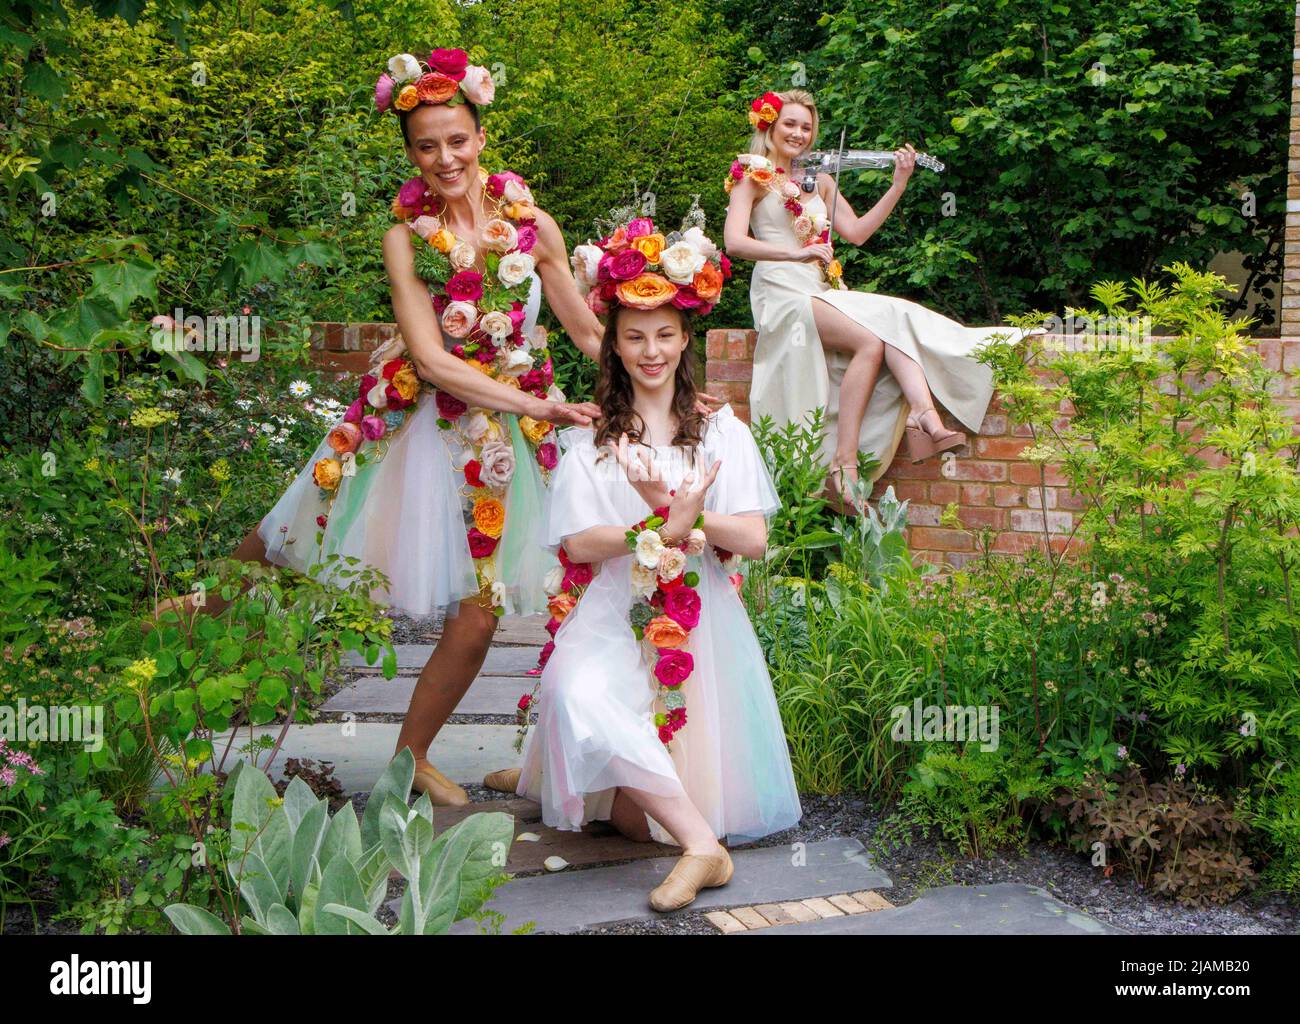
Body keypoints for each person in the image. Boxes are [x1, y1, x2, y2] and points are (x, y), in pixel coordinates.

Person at [153, 47, 611, 807]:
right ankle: (165, 632)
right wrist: (534, 405)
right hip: (411, 427)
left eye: (457, 139)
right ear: (409, 154)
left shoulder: (534, 226)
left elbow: (586, 330)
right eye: (426, 146)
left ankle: (413, 757)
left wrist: (657, 387)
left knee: (482, 606)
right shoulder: (405, 237)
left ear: (480, 138)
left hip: (509, 440)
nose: (444, 157)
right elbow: (429, 361)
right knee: (278, 550)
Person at [484, 213, 802, 912]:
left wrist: (684, 518)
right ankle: (702, 848)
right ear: (615, 348)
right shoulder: (598, 436)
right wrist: (652, 524)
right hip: (611, 608)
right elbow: (575, 544)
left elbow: (751, 538)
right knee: (574, 693)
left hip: (697, 616)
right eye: (634, 337)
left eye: (664, 335)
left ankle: (671, 830)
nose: (651, 351)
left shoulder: (720, 429)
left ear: (685, 338)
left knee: (630, 818)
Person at [724, 88, 1036, 512]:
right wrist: (795, 252)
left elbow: (857, 233)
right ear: (770, 126)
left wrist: (898, 184)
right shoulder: (752, 176)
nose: (798, 133)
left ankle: (922, 417)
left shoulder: (823, 180)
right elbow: (734, 243)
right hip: (780, 292)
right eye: (790, 124)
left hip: (818, 286)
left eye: (807, 126)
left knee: (891, 318)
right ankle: (846, 461)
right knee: (872, 338)